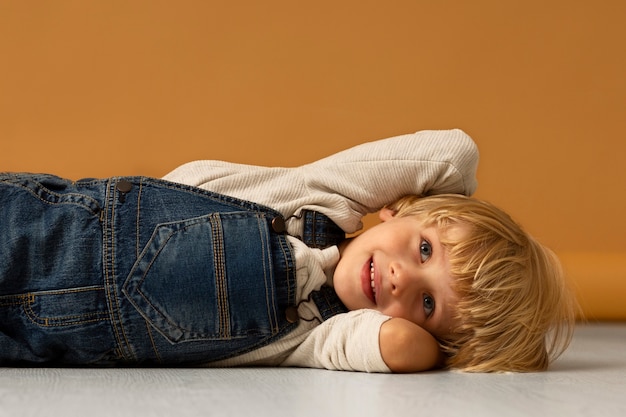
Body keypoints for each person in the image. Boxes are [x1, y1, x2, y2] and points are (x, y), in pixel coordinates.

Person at [0, 129, 576, 372]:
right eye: (423, 249)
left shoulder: (318, 335)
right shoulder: (324, 197)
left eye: (427, 304)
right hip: (42, 226)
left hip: (43, 336)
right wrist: (434, 219)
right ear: (397, 206)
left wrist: (444, 341)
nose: (402, 279)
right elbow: (455, 151)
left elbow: (397, 345)